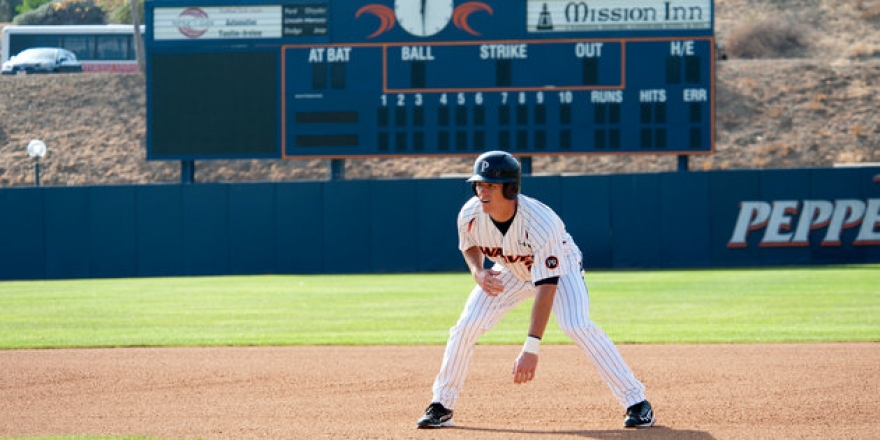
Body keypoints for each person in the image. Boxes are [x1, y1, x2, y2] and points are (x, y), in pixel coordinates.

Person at [416, 150, 655, 429]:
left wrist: (532, 347)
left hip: (560, 270)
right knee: (466, 326)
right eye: (479, 184)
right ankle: (442, 404)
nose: (482, 191)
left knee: (576, 324)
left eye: (490, 185)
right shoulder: (470, 213)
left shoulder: (541, 222)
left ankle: (637, 402)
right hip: (511, 269)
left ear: (511, 188)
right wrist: (478, 271)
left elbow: (546, 287)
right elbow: (469, 245)